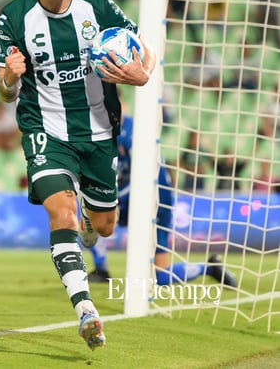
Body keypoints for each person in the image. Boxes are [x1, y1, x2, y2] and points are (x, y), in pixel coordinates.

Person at [0, 0, 156, 350]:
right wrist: (10, 77)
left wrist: (143, 72)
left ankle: (90, 219)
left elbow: (141, 48)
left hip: (99, 133)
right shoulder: (13, 18)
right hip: (45, 130)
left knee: (102, 225)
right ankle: (86, 310)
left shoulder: (96, 5)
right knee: (60, 214)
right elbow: (4, 91)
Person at [88, 114, 237, 290]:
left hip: (156, 206)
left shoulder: (135, 132)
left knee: (159, 277)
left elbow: (142, 179)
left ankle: (210, 268)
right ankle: (101, 269)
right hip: (129, 200)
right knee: (89, 214)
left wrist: (112, 196)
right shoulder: (99, 132)